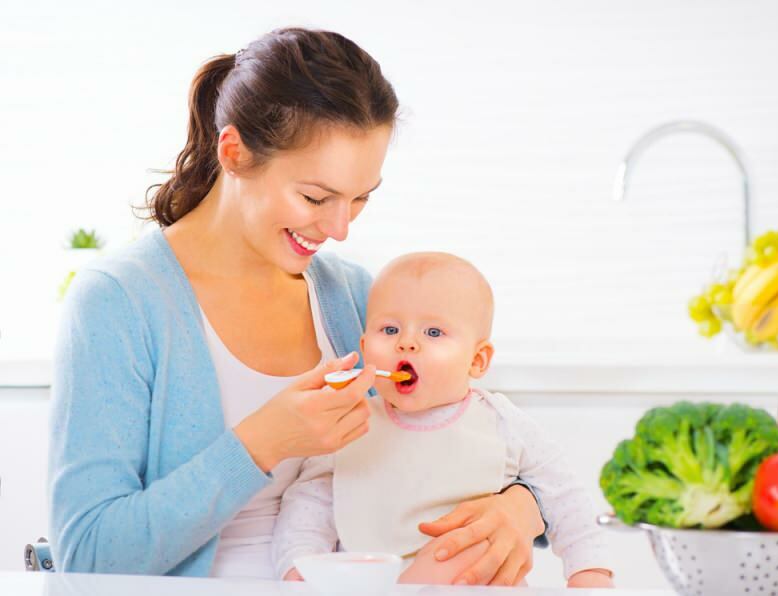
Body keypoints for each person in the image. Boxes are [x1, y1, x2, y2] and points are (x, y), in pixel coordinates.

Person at [48, 28, 545, 585]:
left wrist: (521, 506)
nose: (338, 227)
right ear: (233, 152)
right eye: (315, 197)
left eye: (360, 199)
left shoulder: (356, 298)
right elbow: (87, 555)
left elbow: (478, 430)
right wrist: (265, 441)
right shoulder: (119, 303)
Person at [273, 253, 615, 588]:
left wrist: (591, 571)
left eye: (434, 333)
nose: (406, 343)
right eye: (390, 329)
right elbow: (308, 504)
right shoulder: (348, 423)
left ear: (477, 360)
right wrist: (299, 566)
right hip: (375, 584)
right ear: (364, 347)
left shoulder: (501, 422)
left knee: (471, 548)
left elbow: (566, 498)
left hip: (473, 580)